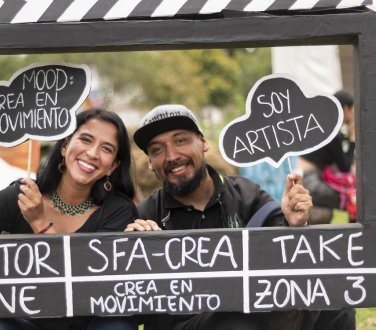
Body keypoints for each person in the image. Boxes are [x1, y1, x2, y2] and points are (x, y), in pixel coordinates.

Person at [125, 104, 355, 330]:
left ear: (203, 142)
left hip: (257, 310)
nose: (171, 155)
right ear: (150, 163)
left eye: (180, 140)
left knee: (337, 304)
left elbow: (288, 255)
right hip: (191, 322)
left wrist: (294, 223)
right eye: (157, 149)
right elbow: (133, 308)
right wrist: (134, 256)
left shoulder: (246, 193)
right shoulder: (145, 215)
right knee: (237, 323)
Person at [0, 108, 139, 330]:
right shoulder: (23, 195)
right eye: (86, 140)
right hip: (28, 323)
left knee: (118, 325)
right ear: (65, 146)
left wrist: (40, 223)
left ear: (113, 165)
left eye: (106, 148)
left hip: (88, 324)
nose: (93, 153)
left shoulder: (118, 210)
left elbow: (85, 280)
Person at [297, 90, 356, 223]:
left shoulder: (323, 125)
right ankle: (357, 238)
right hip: (311, 181)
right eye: (353, 109)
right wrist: (353, 138)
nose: (354, 114)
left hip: (305, 177)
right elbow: (345, 166)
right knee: (353, 199)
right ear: (345, 109)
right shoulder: (332, 133)